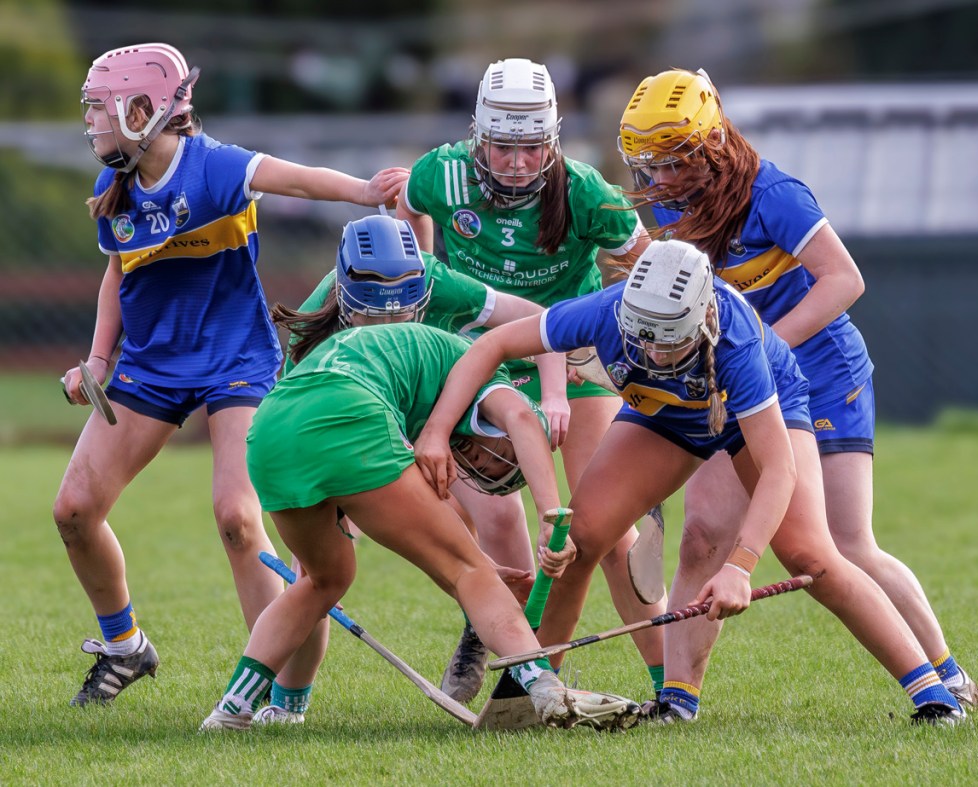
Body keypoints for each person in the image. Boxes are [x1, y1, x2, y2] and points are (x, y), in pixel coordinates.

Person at [416, 239, 965, 726]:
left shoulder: (736, 343)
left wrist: (740, 566)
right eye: (644, 342)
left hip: (748, 417)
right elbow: (491, 345)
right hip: (663, 417)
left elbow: (779, 469)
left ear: (702, 317)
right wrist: (437, 430)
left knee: (810, 556)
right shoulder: (605, 310)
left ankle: (935, 696)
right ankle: (540, 694)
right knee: (579, 542)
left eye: (668, 343)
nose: (654, 354)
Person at [616, 67, 978, 713]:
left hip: (822, 372)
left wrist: (759, 348)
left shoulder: (774, 193)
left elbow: (844, 279)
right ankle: (677, 700)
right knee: (703, 535)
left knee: (843, 546)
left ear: (712, 142)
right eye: (652, 165)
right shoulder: (672, 200)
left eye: (674, 161)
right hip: (737, 383)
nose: (662, 179)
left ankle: (948, 678)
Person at [54, 42, 408, 707]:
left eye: (101, 108)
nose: (91, 121)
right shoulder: (114, 185)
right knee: (73, 510)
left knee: (239, 519)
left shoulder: (212, 167)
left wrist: (364, 193)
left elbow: (294, 178)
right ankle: (124, 645)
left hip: (235, 363)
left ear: (142, 112)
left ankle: (270, 692)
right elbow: (117, 272)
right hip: (151, 366)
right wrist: (99, 359)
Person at [199, 322, 641, 732]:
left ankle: (232, 709)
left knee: (324, 579)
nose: (482, 459)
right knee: (468, 573)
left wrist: (478, 562)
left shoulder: (416, 375)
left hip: (270, 430)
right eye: (500, 455)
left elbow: (403, 513)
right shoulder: (490, 379)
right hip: (348, 410)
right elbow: (524, 420)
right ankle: (544, 687)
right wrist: (548, 515)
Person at [396, 57, 664, 704]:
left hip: (572, 356)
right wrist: (427, 277)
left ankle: (672, 686)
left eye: (532, 147)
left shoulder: (586, 191)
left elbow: (651, 269)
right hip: (480, 352)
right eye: (503, 147)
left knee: (606, 527)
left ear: (553, 139)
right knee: (495, 520)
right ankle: (498, 642)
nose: (518, 164)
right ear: (478, 136)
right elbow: (407, 206)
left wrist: (634, 346)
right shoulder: (442, 173)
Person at [252, 213, 570, 723]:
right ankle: (288, 706)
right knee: (315, 577)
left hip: (447, 406)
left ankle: (517, 663)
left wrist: (554, 395)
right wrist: (320, 541)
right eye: (373, 312)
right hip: (362, 425)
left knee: (497, 518)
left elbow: (539, 322)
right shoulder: (314, 323)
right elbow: (320, 450)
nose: (390, 323)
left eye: (402, 307)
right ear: (344, 293)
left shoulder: (438, 281)